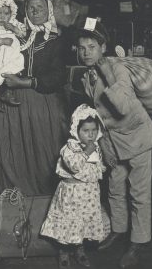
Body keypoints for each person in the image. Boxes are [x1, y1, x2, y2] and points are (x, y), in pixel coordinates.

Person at [75, 19, 152, 268]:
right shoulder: (86, 75)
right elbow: (98, 116)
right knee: (114, 187)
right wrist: (104, 146)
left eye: (92, 46)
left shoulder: (118, 68)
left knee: (138, 193)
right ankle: (119, 229)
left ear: (103, 47)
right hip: (114, 140)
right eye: (82, 48)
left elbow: (121, 106)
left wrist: (106, 70)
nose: (86, 52)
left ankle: (137, 243)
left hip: (138, 138)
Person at [0, 0, 69, 197]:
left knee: (43, 153)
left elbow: (59, 76)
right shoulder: (14, 35)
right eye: (30, 7)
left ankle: (43, 203)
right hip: (12, 102)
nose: (35, 11)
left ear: (48, 11)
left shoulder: (57, 40)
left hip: (42, 103)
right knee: (9, 150)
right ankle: (10, 201)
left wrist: (24, 82)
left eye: (40, 7)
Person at [40, 104, 106, 269]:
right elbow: (74, 166)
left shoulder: (96, 147)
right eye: (85, 131)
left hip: (89, 194)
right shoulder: (69, 148)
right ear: (76, 131)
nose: (90, 135)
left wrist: (101, 166)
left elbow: (97, 167)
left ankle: (79, 251)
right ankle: (63, 251)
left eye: (93, 130)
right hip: (72, 194)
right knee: (69, 224)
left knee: (83, 224)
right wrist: (86, 152)